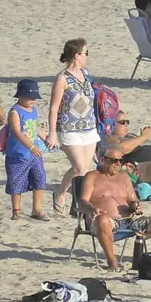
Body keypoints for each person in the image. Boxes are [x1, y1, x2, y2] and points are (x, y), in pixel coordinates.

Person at [79, 145, 151, 271]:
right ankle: (112, 261)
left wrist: (136, 206)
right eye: (114, 160)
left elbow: (132, 199)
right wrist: (92, 209)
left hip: (129, 220)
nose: (118, 164)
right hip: (105, 222)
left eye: (121, 160)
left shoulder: (124, 176)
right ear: (102, 160)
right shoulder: (92, 176)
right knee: (103, 220)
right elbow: (82, 202)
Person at [46, 39, 99, 215]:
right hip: (69, 128)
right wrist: (52, 133)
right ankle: (61, 194)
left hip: (89, 127)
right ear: (77, 55)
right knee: (79, 168)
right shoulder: (62, 78)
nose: (87, 56)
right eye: (86, 53)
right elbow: (53, 107)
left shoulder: (86, 73)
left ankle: (77, 201)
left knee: (85, 168)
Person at [4, 80, 50, 222]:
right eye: (30, 97)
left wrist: (45, 138)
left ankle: (36, 210)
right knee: (16, 183)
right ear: (20, 96)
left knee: (40, 179)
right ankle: (16, 211)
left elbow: (35, 127)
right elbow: (17, 132)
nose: (33, 100)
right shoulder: (15, 112)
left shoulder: (33, 111)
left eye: (34, 97)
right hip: (17, 155)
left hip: (34, 154)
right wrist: (30, 146)